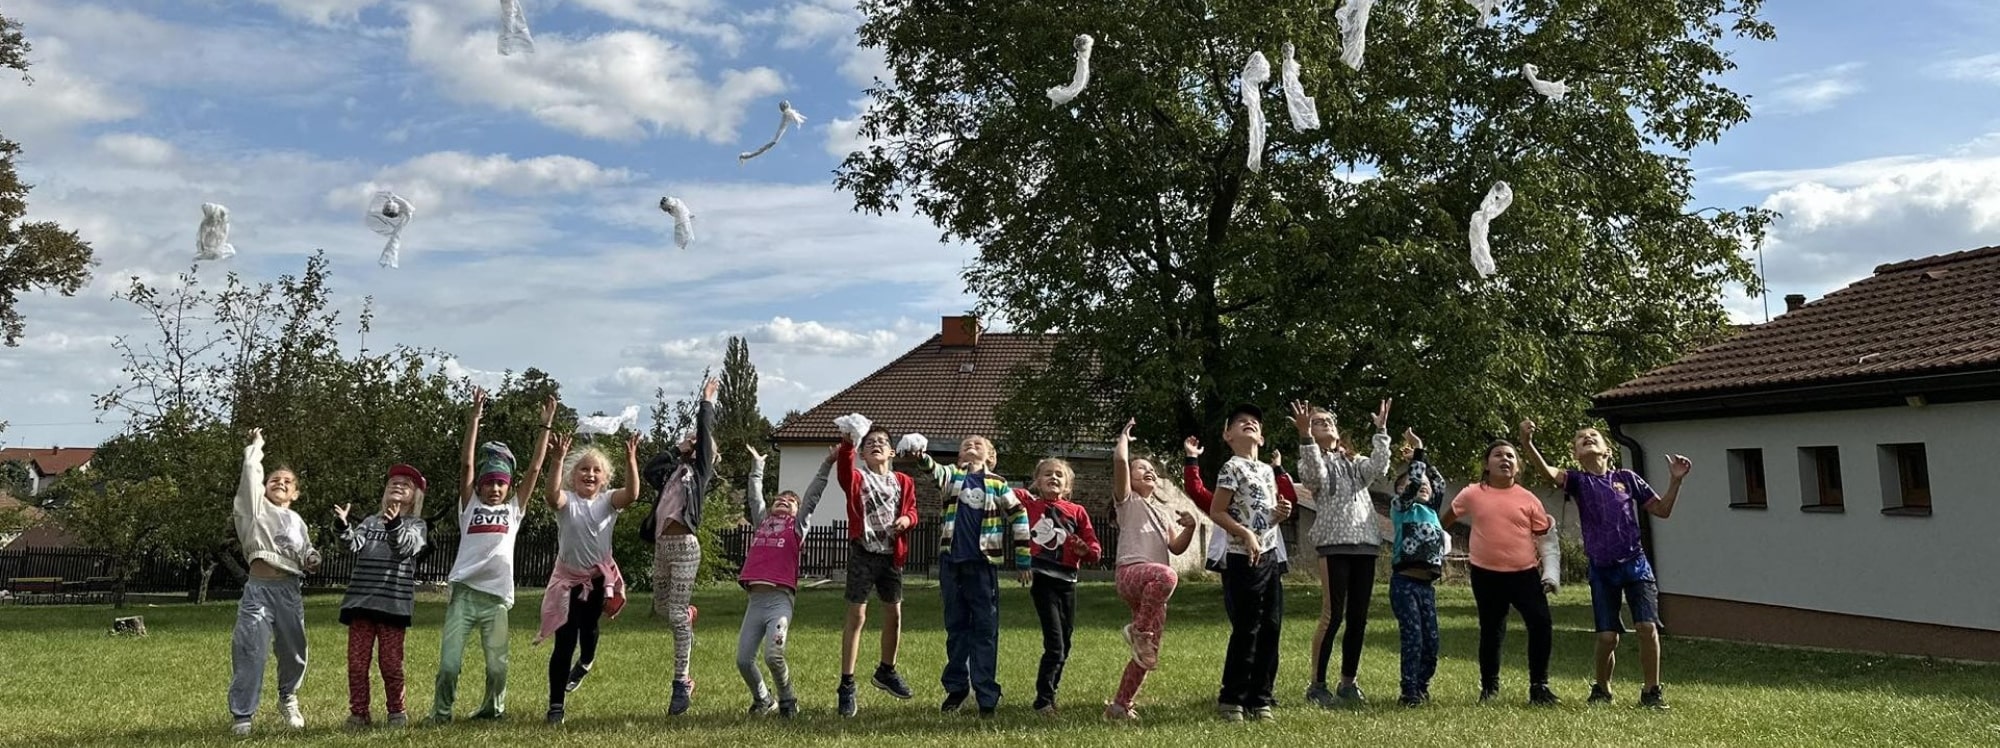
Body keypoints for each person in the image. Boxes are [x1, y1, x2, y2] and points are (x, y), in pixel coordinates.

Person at [1520, 419, 1691, 709]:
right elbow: (1548, 473)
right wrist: (1527, 444)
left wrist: (1675, 481)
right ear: (1575, 454)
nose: (1587, 438)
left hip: (1636, 565)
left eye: (1593, 435)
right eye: (1581, 437)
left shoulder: (1628, 477)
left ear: (1607, 450)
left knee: (1647, 628)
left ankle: (1652, 691)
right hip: (1602, 568)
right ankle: (1602, 687)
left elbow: (1661, 510)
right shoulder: (1578, 481)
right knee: (1608, 636)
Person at [431, 391, 556, 723]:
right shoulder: (468, 507)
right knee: (449, 664)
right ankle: (441, 712)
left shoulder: (513, 511)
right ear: (480, 487)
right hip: (464, 596)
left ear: (508, 487)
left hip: (496, 600)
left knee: (497, 666)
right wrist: (474, 420)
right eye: (489, 484)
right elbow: (467, 465)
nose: (495, 489)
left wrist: (545, 427)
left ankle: (492, 709)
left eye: (501, 484)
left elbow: (534, 469)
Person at [1440, 440, 1563, 705]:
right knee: (1492, 630)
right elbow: (1443, 523)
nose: (1504, 459)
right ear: (1487, 464)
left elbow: (1545, 539)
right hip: (1486, 576)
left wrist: (1550, 573)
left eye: (1510, 456)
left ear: (1517, 467)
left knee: (1541, 624)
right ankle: (1489, 689)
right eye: (1497, 455)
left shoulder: (1529, 499)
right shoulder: (1472, 494)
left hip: (1525, 574)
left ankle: (1539, 687)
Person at [917, 435, 1030, 718]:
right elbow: (934, 470)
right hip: (951, 565)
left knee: (985, 629)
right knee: (956, 628)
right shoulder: (952, 477)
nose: (971, 446)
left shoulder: (997, 484)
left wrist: (1023, 557)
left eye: (978, 444)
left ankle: (987, 695)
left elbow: (1018, 514)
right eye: (966, 444)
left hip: (982, 566)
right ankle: (956, 688)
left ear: (990, 457)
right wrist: (921, 455)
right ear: (958, 456)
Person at [1292, 399, 1394, 708]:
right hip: (1334, 544)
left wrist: (1381, 430)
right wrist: (1305, 437)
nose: (1324, 423)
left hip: (1365, 544)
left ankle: (1349, 682)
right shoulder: (1312, 459)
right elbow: (1313, 479)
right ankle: (1317, 684)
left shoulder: (1355, 462)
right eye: (1317, 421)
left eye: (1328, 421)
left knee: (1359, 617)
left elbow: (1380, 466)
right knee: (1333, 614)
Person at [536, 428, 642, 725]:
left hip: (597, 581)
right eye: (584, 469)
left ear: (605, 478)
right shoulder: (566, 501)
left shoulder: (608, 501)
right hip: (567, 582)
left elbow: (632, 495)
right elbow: (550, 495)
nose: (590, 474)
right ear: (573, 476)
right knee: (564, 641)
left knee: (590, 628)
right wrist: (556, 460)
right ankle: (556, 706)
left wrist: (630, 458)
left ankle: (586, 661)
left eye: (596, 470)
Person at [1104, 419, 1199, 722]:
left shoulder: (1161, 512)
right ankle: (1137, 631)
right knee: (1168, 575)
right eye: (1141, 467)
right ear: (1129, 478)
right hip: (1132, 575)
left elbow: (1177, 548)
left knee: (1149, 653)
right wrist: (1123, 439)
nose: (1149, 471)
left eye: (1153, 469)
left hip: (1152, 592)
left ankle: (1120, 706)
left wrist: (1191, 527)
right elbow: (1120, 461)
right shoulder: (1127, 501)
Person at [227, 428, 321, 736]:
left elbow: (305, 550)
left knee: (295, 651)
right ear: (265, 488)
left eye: (288, 481)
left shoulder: (298, 521)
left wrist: (311, 557)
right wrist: (257, 447)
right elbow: (251, 476)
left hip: (289, 592)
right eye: (274, 479)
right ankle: (243, 715)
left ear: (296, 493)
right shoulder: (256, 511)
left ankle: (288, 696)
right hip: (259, 592)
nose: (280, 482)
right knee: (250, 649)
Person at [1206, 404, 1293, 722]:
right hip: (1243, 557)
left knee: (1271, 626)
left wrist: (1278, 515)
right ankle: (1232, 698)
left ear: (1263, 437)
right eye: (1241, 422)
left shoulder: (1268, 472)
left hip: (1269, 556)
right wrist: (1245, 534)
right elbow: (1218, 511)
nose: (1250, 424)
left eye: (1255, 422)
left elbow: (1263, 518)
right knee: (1248, 627)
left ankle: (1261, 699)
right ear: (1228, 435)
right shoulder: (1231, 468)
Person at [638, 377, 720, 716]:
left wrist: (706, 402)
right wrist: (676, 448)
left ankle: (681, 682)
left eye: (701, 447)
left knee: (673, 615)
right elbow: (650, 468)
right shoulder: (672, 473)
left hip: (686, 546)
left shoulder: (699, 475)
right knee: (661, 608)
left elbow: (705, 439)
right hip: (662, 547)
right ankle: (686, 614)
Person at [735, 444, 835, 718]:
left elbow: (812, 496)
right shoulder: (763, 523)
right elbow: (755, 498)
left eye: (790, 501)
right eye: (780, 498)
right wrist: (758, 467)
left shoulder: (797, 527)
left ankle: (787, 698)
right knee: (743, 660)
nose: (784, 501)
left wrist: (827, 464)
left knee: (773, 655)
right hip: (755, 602)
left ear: (797, 511)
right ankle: (763, 699)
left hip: (780, 601)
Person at [831, 423, 920, 717]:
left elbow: (912, 510)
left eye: (882, 442)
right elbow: (844, 471)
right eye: (869, 443)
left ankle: (887, 670)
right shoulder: (858, 478)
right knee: (857, 615)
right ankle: (847, 684)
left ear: (892, 451)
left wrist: (907, 520)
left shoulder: (903, 481)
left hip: (890, 556)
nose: (876, 445)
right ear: (862, 453)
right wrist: (847, 444)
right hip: (863, 553)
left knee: (894, 614)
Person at [335, 463, 430, 728]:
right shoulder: (368, 522)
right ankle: (359, 713)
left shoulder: (416, 525)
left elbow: (403, 548)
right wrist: (342, 527)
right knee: (356, 664)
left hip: (393, 606)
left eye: (405, 484)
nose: (397, 485)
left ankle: (396, 712)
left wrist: (395, 525)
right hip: (360, 603)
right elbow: (351, 546)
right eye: (393, 483)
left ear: (415, 496)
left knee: (390, 665)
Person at [1017, 457, 1102, 716]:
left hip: (1068, 584)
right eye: (1047, 475)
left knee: (1065, 642)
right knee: (1055, 643)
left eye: (1059, 475)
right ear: (1037, 482)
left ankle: (1050, 694)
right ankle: (1043, 700)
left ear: (1067, 485)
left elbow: (1094, 550)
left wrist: (1085, 550)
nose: (1053, 478)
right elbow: (1003, 490)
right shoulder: (1030, 506)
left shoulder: (1077, 511)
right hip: (1043, 581)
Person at [1387, 429, 1448, 707]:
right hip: (1404, 583)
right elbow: (1412, 484)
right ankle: (1408, 690)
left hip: (1426, 587)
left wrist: (1425, 460)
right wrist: (1418, 454)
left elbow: (1439, 482)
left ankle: (1422, 685)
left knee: (1431, 641)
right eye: (1415, 482)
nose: (1423, 484)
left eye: (1426, 484)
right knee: (1413, 636)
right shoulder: (1402, 506)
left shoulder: (1432, 511)